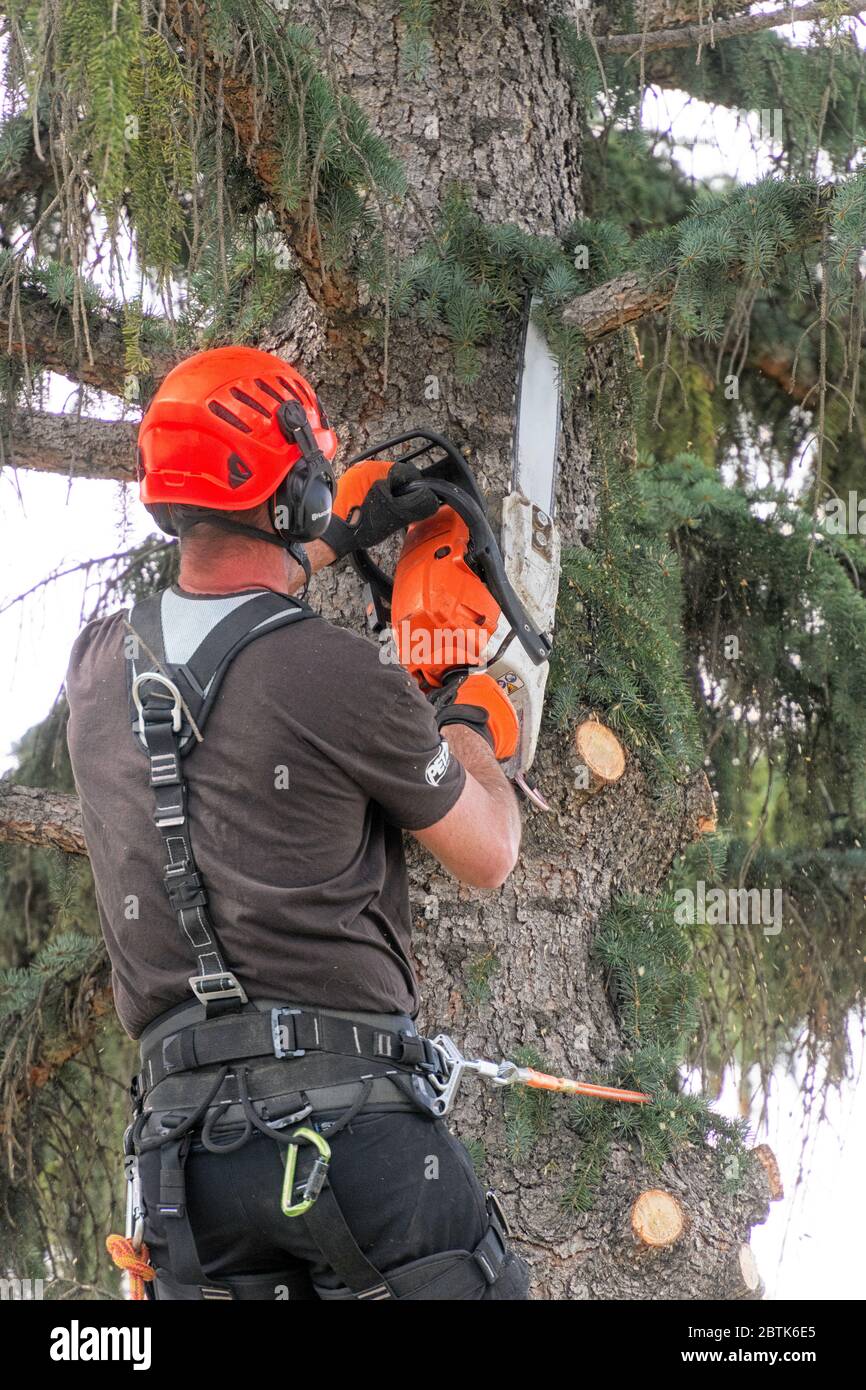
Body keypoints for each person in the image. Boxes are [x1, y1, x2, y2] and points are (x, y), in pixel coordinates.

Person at [66, 345, 530, 1300]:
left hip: (182, 1175)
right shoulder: (337, 673)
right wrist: (464, 703)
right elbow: (490, 850)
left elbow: (222, 610)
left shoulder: (93, 668)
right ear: (297, 486)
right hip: (355, 1145)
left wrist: (321, 531)